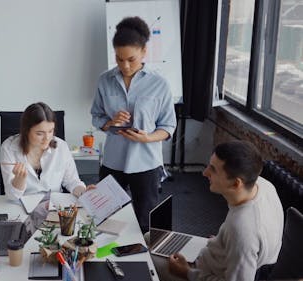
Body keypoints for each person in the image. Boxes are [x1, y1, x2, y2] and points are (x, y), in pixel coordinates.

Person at [90, 16, 176, 232]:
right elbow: (97, 117)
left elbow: (168, 127)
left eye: (131, 59)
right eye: (119, 59)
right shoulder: (105, 80)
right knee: (104, 216)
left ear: (144, 52)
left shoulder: (160, 84)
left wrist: (147, 137)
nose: (125, 65)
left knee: (145, 222)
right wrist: (111, 122)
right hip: (113, 160)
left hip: (146, 163)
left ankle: (145, 263)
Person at [152, 140, 284, 281]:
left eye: (213, 169)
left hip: (203, 271)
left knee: (145, 255)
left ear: (235, 183)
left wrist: (186, 272)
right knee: (151, 237)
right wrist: (223, 241)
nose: (204, 172)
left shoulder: (242, 230)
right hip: (221, 254)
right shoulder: (263, 185)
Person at [1, 102, 95, 200]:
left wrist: (84, 193)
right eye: (39, 133)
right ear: (26, 131)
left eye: (50, 131)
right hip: (21, 205)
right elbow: (12, 196)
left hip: (54, 206)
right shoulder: (9, 148)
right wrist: (18, 181)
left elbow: (72, 181)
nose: (47, 138)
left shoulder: (61, 146)